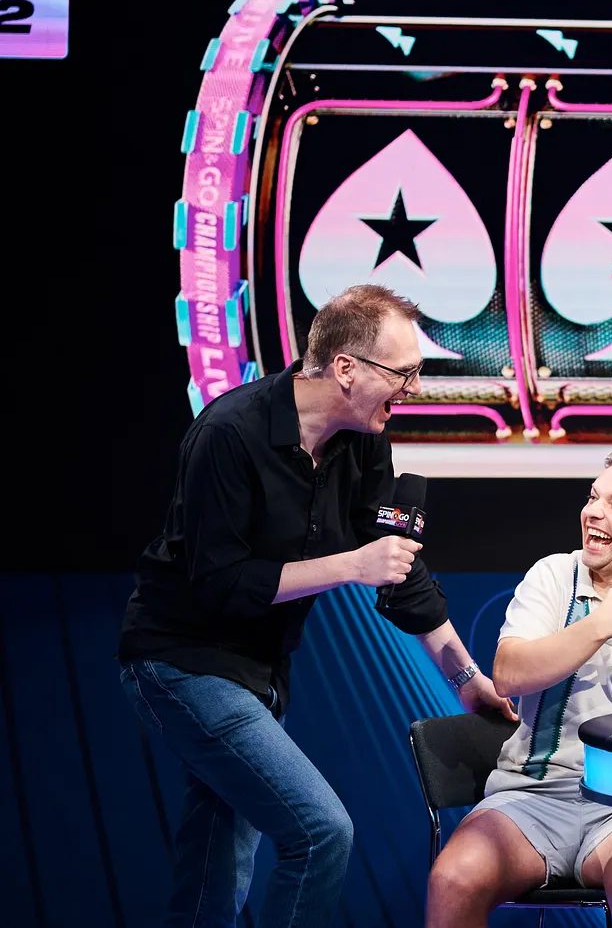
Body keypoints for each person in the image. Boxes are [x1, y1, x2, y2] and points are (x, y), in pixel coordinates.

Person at [117, 284, 515, 928]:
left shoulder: (363, 439)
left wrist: (467, 681)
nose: (413, 388)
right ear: (346, 367)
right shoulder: (229, 433)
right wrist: (352, 565)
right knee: (320, 831)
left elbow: (400, 574)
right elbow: (220, 585)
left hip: (262, 672)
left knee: (216, 864)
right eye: (403, 372)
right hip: (181, 662)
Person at [426, 446, 612, 928]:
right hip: (529, 798)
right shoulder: (552, 576)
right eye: (593, 497)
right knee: (453, 879)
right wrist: (600, 625)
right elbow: (508, 673)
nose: (593, 512)